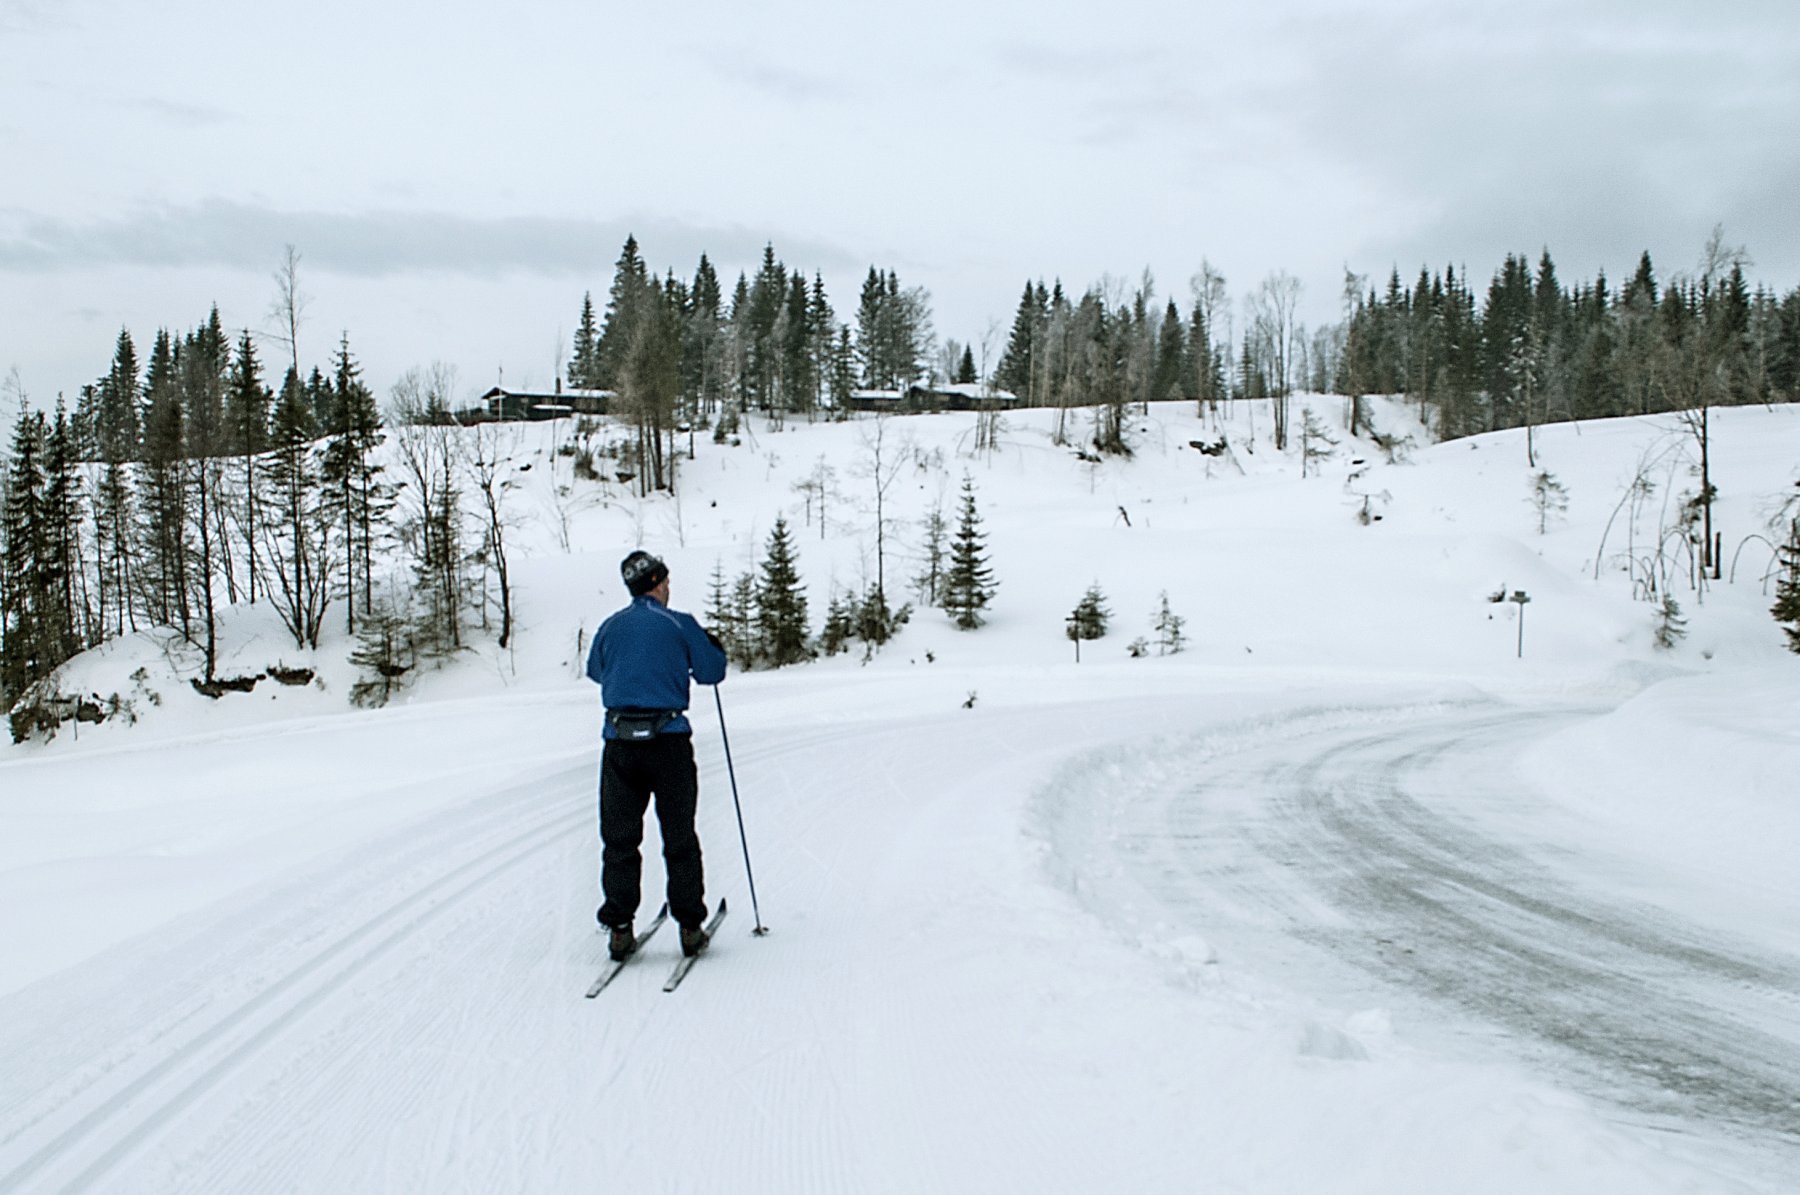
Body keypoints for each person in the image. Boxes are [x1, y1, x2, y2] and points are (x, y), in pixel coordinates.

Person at [587, 550, 729, 961]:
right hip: (668, 742)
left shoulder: (610, 627)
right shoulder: (678, 623)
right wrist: (709, 647)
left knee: (619, 839)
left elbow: (596, 671)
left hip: (619, 745)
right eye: (665, 581)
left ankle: (619, 926)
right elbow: (711, 672)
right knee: (679, 835)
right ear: (659, 583)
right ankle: (689, 926)